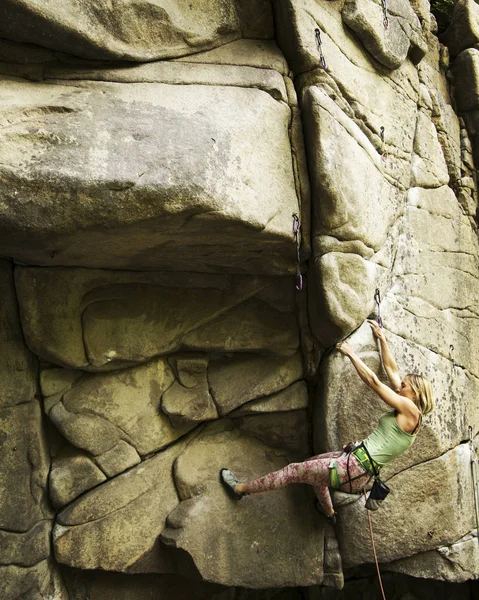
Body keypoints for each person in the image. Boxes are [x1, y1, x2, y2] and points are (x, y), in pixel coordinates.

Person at [220, 320, 434, 524]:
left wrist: (352, 354)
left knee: (294, 470)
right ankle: (330, 513)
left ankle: (241, 489)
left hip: (351, 467)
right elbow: (392, 371)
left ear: (415, 394)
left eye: (404, 386)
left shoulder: (411, 411)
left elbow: (375, 382)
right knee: (314, 469)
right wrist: (382, 339)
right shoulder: (410, 412)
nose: (399, 387)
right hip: (356, 468)